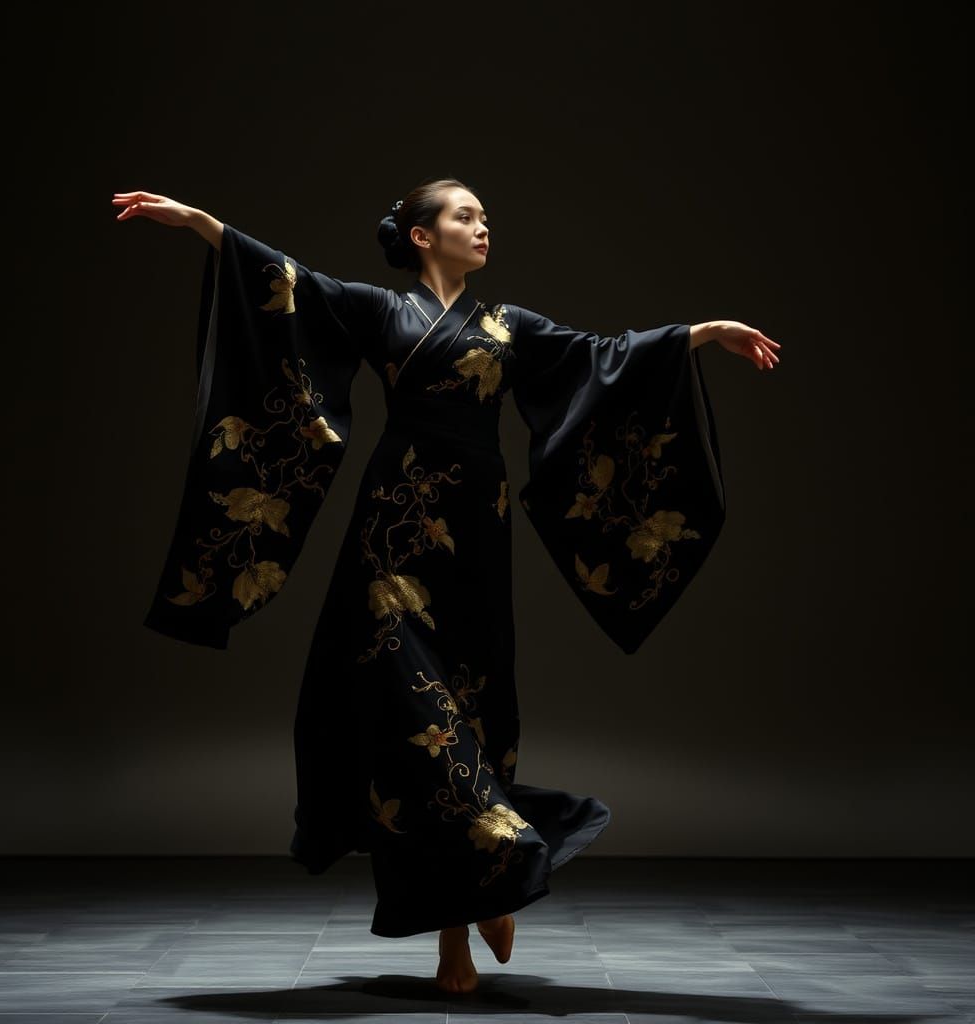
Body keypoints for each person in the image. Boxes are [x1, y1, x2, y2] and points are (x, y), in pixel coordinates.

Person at [113, 177, 779, 993]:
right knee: (411, 718)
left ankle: (460, 929)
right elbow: (288, 281)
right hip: (391, 529)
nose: (482, 226)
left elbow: (600, 359)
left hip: (477, 532)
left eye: (486, 216)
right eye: (466, 215)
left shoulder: (511, 326)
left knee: (473, 707)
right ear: (422, 235)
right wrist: (198, 222)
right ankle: (497, 867)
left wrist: (697, 335)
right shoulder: (377, 310)